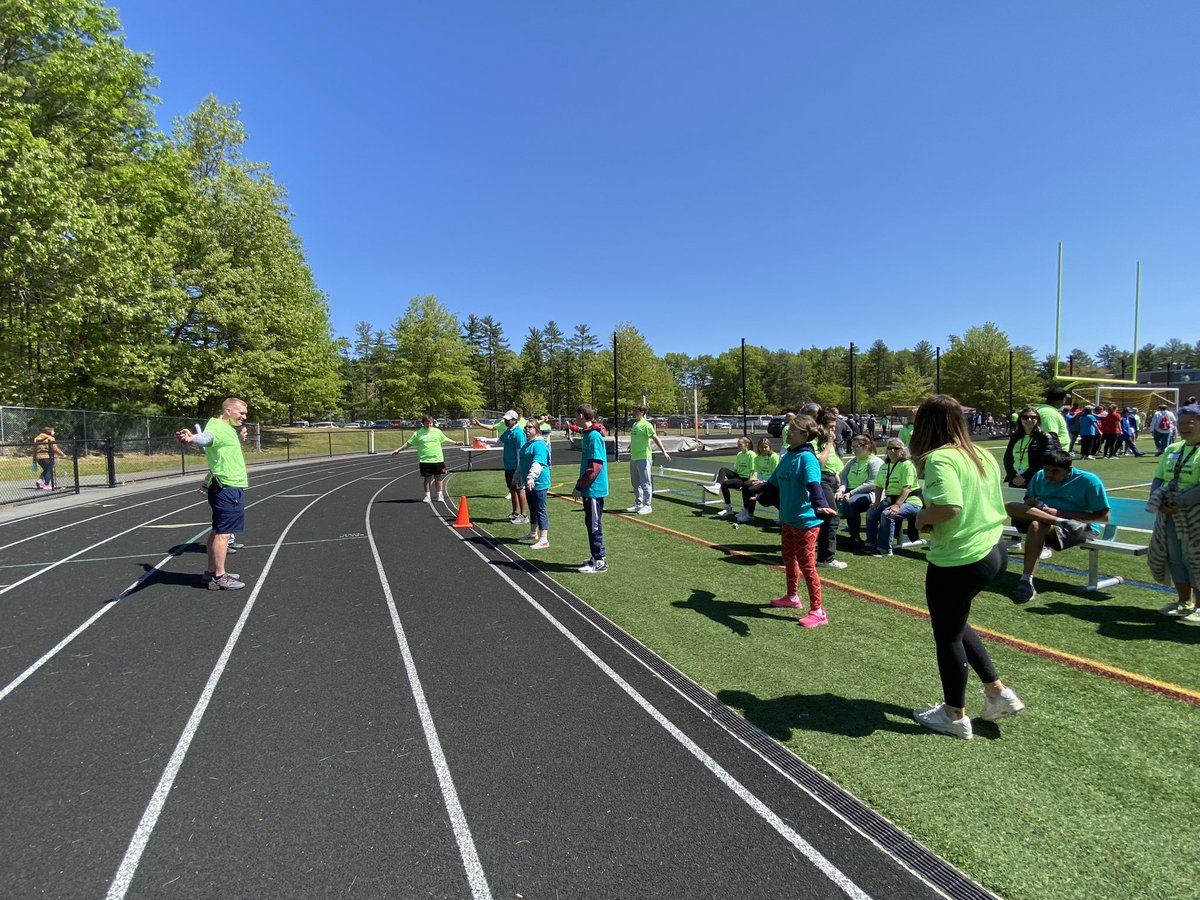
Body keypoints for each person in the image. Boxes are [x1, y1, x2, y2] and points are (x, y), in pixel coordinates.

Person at [909, 394, 1024, 740]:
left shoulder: (939, 459)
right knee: (955, 623)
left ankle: (954, 715)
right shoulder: (982, 454)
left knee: (947, 635)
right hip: (993, 550)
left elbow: (949, 507)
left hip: (960, 558)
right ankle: (997, 692)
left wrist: (920, 518)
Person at [1004, 448, 1111, 603]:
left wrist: (1061, 513)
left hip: (1079, 526)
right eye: (1046, 470)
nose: (1049, 475)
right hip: (1052, 522)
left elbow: (1103, 517)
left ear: (1068, 470)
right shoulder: (1039, 476)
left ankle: (1026, 580)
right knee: (1009, 506)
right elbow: (1028, 501)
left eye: (1055, 471)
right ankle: (1057, 522)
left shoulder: (1089, 481)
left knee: (1036, 525)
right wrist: (1035, 504)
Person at [764, 414, 837, 627]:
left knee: (807, 565)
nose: (788, 433)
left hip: (806, 522)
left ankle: (818, 611)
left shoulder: (807, 458)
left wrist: (819, 503)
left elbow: (814, 484)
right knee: (788, 558)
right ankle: (792, 597)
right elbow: (774, 483)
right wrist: (758, 493)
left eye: (792, 431)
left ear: (804, 435)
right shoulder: (788, 456)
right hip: (788, 519)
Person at [177, 398, 250, 591]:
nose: (244, 416)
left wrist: (239, 438)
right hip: (228, 488)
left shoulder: (225, 429)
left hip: (225, 486)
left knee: (218, 531)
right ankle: (220, 576)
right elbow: (206, 438)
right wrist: (192, 438)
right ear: (228, 411)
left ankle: (211, 572)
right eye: (241, 413)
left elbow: (220, 450)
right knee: (223, 534)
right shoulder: (217, 428)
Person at [1149, 404, 1200, 619]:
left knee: (1196, 558)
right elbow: (1159, 478)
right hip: (1170, 513)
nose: (1184, 427)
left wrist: (1180, 501)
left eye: (1190, 422)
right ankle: (1184, 601)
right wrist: (1159, 500)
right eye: (1180, 423)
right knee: (1175, 557)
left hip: (1194, 514)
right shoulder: (1173, 449)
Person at [804, 403, 847, 570]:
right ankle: (826, 558)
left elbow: (832, 460)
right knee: (831, 516)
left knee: (823, 517)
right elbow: (818, 464)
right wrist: (829, 443)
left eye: (834, 428)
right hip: (819, 479)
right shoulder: (814, 441)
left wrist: (836, 474)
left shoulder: (826, 440)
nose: (833, 431)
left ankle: (817, 553)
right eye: (830, 427)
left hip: (828, 479)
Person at [865, 439, 922, 556]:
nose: (892, 451)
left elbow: (907, 488)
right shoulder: (884, 466)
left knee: (888, 514)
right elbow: (879, 486)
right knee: (871, 512)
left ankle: (885, 548)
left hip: (911, 501)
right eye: (889, 448)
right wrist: (876, 501)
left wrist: (897, 505)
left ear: (902, 450)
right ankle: (871, 544)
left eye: (896, 448)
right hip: (890, 499)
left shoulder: (907, 465)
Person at [390, 414, 463, 503]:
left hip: (438, 459)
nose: (429, 425)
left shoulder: (437, 432)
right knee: (427, 479)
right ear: (423, 424)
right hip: (425, 460)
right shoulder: (418, 433)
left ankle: (440, 495)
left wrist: (456, 443)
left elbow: (445, 438)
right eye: (427, 423)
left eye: (431, 423)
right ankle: (427, 496)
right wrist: (399, 449)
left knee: (438, 478)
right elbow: (409, 443)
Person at [571, 404, 609, 573]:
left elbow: (595, 466)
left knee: (594, 525)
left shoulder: (593, 436)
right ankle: (595, 556)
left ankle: (599, 561)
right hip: (590, 489)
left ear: (581, 415)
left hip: (594, 489)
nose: (574, 419)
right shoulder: (589, 434)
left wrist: (579, 486)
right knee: (590, 523)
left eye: (575, 416)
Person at [835, 434, 883, 547]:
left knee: (851, 503)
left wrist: (851, 493)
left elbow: (872, 483)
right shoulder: (853, 461)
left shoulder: (875, 462)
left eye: (856, 447)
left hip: (869, 494)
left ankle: (855, 537)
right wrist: (840, 490)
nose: (853, 449)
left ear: (866, 447)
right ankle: (827, 534)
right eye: (852, 447)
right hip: (849, 491)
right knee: (829, 499)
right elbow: (843, 478)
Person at [627, 405, 671, 515]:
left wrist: (664, 451)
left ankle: (647, 505)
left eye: (636, 411)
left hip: (644, 457)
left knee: (645, 482)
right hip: (634, 458)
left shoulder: (646, 425)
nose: (633, 413)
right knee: (635, 483)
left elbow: (655, 437)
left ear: (642, 412)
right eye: (633, 411)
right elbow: (635, 439)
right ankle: (638, 504)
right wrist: (630, 447)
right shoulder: (634, 424)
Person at [1003, 406, 1061, 489]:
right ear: (1020, 419)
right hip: (1015, 480)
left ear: (1038, 420)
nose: (1029, 420)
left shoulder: (1045, 437)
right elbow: (1007, 458)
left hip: (1035, 479)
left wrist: (1024, 477)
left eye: (1033, 417)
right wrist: (1012, 476)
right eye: (1025, 417)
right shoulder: (1015, 437)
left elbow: (1044, 460)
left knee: (1032, 502)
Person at [703, 436, 756, 517]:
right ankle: (717, 487)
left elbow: (752, 471)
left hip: (745, 479)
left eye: (740, 444)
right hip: (738, 477)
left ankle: (739, 510)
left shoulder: (751, 454)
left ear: (747, 444)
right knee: (723, 469)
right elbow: (736, 470)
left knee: (725, 484)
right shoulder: (739, 454)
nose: (738, 445)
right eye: (738, 444)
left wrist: (747, 484)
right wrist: (733, 477)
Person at [519, 422, 551, 549]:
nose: (527, 429)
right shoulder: (527, 444)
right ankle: (533, 533)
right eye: (526, 427)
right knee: (532, 508)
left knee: (540, 509)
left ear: (536, 429)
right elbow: (522, 462)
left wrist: (531, 478)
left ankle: (544, 539)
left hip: (539, 481)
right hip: (528, 481)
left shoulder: (539, 445)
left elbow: (538, 462)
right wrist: (518, 475)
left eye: (530, 427)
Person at [737, 438, 781, 523]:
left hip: (772, 482)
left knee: (753, 491)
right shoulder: (757, 458)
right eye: (761, 447)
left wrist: (761, 482)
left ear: (770, 447)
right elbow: (759, 473)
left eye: (766, 447)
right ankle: (748, 513)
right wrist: (758, 480)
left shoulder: (774, 457)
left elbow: (775, 474)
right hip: (762, 481)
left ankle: (782, 514)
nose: (764, 449)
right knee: (746, 485)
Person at [32, 426, 67, 491]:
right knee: (49, 471)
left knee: (46, 470)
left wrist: (34, 458)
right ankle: (46, 484)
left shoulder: (37, 439)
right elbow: (55, 448)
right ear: (49, 432)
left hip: (39, 458)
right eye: (53, 431)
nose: (54, 432)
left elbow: (35, 450)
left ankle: (40, 481)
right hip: (47, 457)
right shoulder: (51, 439)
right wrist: (63, 454)